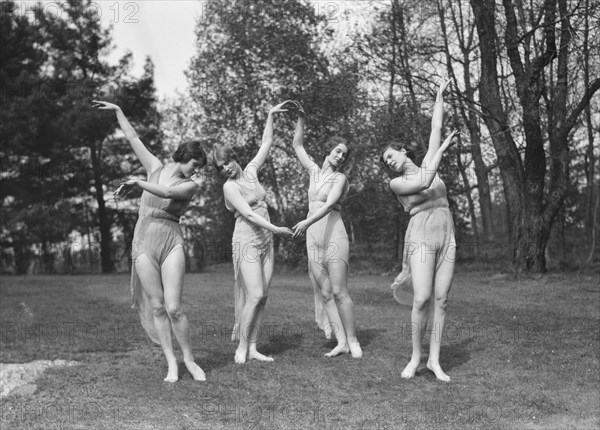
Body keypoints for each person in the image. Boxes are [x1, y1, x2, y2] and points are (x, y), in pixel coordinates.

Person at [94, 100, 207, 382]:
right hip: (143, 238)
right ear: (185, 156)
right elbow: (133, 138)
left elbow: (168, 193)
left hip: (171, 240)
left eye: (200, 167)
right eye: (196, 164)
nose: (197, 170)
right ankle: (172, 363)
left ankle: (189, 359)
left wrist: (138, 183)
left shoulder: (190, 185)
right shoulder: (155, 166)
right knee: (157, 306)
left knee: (174, 307)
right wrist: (120, 111)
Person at [379, 75, 459, 381]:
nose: (389, 162)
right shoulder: (397, 183)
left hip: (446, 230)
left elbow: (435, 128)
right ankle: (415, 356)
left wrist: (439, 94)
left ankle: (434, 361)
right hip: (422, 234)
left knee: (442, 299)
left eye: (390, 155)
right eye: (385, 162)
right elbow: (425, 181)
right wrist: (443, 150)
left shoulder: (426, 159)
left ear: (402, 151)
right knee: (422, 297)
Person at [213, 101, 293, 364]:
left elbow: (266, 143)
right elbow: (248, 215)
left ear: (234, 158)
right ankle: (241, 347)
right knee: (254, 294)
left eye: (226, 162)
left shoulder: (250, 172)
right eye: (219, 167)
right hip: (247, 238)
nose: (224, 168)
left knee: (263, 296)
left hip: (266, 238)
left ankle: (254, 347)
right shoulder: (229, 187)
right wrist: (277, 229)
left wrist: (270, 115)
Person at [288, 101, 362, 358]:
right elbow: (297, 145)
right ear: (329, 150)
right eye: (338, 151)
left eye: (344, 155)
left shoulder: (340, 179)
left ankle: (353, 340)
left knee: (340, 290)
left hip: (334, 232)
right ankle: (340, 341)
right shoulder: (314, 172)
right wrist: (301, 119)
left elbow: (330, 204)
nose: (340, 156)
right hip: (313, 236)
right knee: (326, 292)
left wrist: (306, 221)